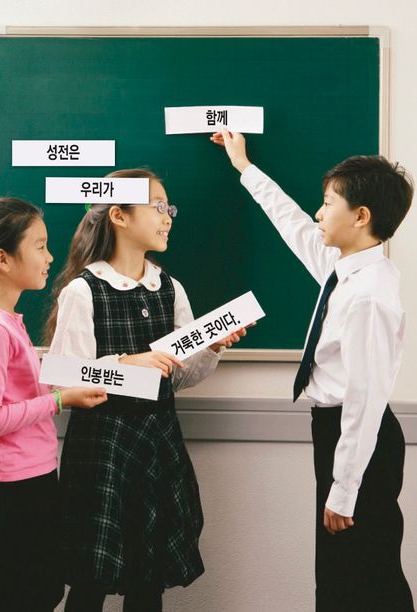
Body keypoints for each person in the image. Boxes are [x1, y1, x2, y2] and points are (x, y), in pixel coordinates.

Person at [211, 130, 415, 611]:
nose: (319, 213)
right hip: (339, 432)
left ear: (361, 217)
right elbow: (293, 224)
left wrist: (344, 490)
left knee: (365, 579)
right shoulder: (345, 268)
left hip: (357, 438)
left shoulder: (369, 295)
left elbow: (365, 400)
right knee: (344, 575)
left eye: (328, 203)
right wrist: (244, 167)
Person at [45, 168, 247, 612]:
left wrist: (209, 346)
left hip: (157, 443)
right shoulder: (84, 291)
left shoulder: (170, 289)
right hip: (103, 449)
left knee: (147, 579)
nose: (168, 217)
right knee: (90, 579)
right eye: (157, 206)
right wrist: (126, 363)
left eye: (168, 208)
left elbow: (179, 375)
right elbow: (63, 376)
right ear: (118, 215)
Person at [0, 198, 107, 612]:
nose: (51, 257)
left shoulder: (5, 319)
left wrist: (94, 373)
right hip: (6, 492)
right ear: (3, 259)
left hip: (27, 479)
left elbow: (17, 391)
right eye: (40, 246)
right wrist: (60, 400)